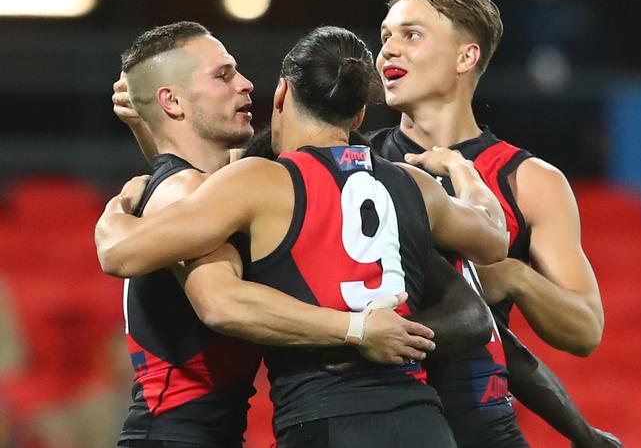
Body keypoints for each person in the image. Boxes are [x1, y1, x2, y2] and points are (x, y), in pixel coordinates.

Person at [96, 25, 509, 448]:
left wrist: (119, 207)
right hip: (418, 421)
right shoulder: (410, 183)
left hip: (310, 423)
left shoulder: (252, 186)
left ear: (283, 96)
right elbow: (495, 239)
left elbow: (122, 247)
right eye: (223, 76)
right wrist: (463, 169)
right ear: (360, 114)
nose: (245, 84)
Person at [369, 0, 621, 448]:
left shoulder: (530, 180)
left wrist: (516, 276)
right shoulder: (353, 159)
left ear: (467, 56)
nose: (388, 51)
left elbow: (585, 329)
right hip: (372, 413)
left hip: (479, 422)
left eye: (411, 35)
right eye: (385, 37)